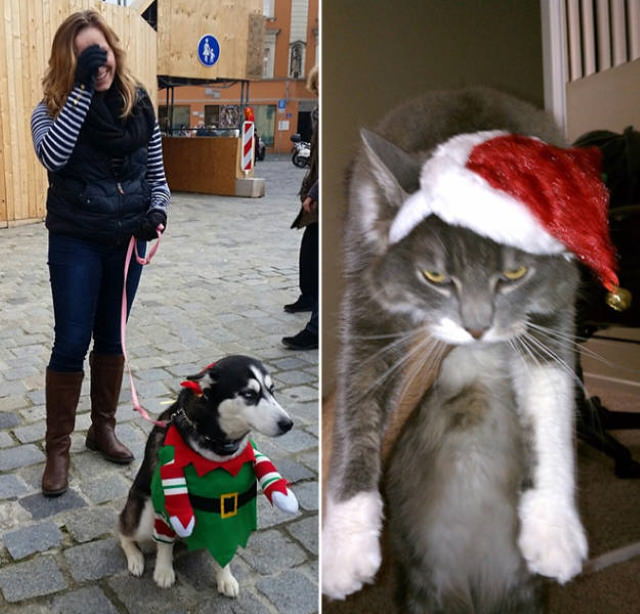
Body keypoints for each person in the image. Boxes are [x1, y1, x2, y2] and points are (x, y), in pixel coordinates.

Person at [30, 10, 170, 497]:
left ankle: (102, 427)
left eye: (102, 51)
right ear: (69, 63)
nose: (99, 61)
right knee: (71, 341)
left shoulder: (139, 106)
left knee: (111, 337)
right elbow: (54, 155)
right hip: (75, 239)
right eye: (86, 55)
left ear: (114, 49)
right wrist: (83, 91)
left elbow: (157, 177)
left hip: (127, 240)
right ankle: (58, 447)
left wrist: (158, 210)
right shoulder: (49, 111)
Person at [282, 66, 319, 350]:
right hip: (318, 188)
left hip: (327, 193)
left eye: (319, 89)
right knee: (310, 248)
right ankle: (308, 298)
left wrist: (315, 191)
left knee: (319, 254)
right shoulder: (322, 114)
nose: (317, 95)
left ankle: (317, 327)